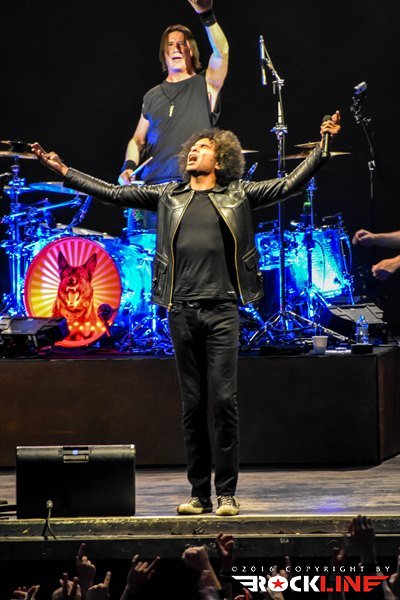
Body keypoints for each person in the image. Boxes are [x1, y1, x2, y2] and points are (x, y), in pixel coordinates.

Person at [31, 112, 341, 517]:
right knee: (192, 406)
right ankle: (199, 494)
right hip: (181, 311)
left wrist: (322, 147)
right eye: (192, 149)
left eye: (203, 148)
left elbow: (287, 184)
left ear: (221, 159)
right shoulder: (168, 196)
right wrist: (64, 171)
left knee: (224, 402)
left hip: (223, 311)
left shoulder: (238, 194)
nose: (194, 152)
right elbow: (114, 193)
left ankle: (226, 493)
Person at [118, 0, 229, 188]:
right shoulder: (152, 95)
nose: (175, 48)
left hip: (191, 184)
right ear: (164, 53)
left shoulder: (206, 83)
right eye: (170, 44)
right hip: (152, 186)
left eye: (181, 44)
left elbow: (222, 52)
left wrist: (206, 15)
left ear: (191, 50)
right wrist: (128, 167)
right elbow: (138, 140)